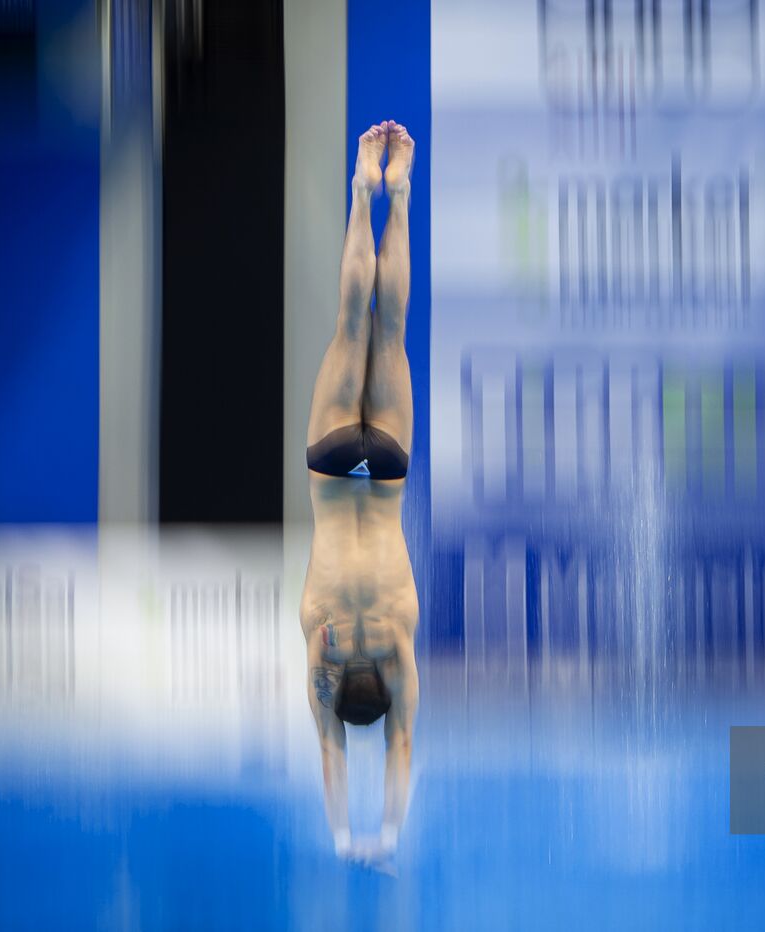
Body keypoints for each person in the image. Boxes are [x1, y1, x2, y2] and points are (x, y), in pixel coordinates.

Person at [300, 120, 419, 859]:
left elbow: (402, 742)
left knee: (389, 328)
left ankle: (396, 196)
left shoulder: (399, 635)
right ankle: (360, 193)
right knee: (353, 326)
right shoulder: (323, 638)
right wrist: (347, 835)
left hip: (389, 472)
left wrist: (388, 832)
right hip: (332, 466)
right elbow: (329, 748)